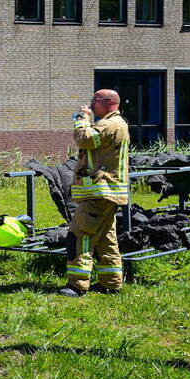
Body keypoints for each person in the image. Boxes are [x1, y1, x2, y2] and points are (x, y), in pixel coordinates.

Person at [60, 89, 130, 298]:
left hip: (100, 191)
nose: (91, 104)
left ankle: (77, 285)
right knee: (106, 239)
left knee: (80, 235)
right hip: (108, 192)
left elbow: (85, 139)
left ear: (108, 103)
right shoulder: (117, 124)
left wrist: (82, 118)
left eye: (95, 100)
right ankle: (111, 283)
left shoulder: (110, 124)